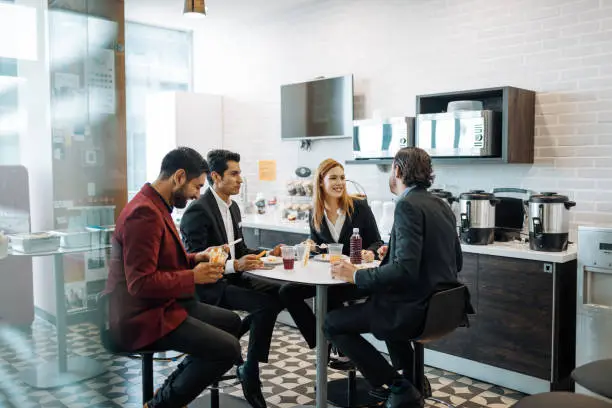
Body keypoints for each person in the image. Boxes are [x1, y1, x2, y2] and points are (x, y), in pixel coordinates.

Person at [324, 147, 463, 408]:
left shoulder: (406, 205)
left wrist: (356, 276)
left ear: (398, 170)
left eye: (391, 169)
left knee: (332, 322)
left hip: (415, 310)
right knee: (382, 307)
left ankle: (396, 386)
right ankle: (413, 380)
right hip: (443, 307)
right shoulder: (441, 205)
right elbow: (456, 261)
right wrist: (394, 253)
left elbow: (404, 271)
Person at [104, 147, 243, 408]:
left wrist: (197, 257)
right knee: (228, 349)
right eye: (196, 186)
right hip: (140, 316)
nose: (197, 195)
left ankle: (168, 391)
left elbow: (162, 262)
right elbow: (140, 283)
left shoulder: (156, 206)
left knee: (232, 322)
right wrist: (193, 277)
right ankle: (160, 405)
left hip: (163, 304)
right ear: (179, 176)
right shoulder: (143, 214)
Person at [179, 149, 285, 408]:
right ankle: (250, 371)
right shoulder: (197, 211)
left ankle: (232, 343)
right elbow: (196, 259)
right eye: (234, 174)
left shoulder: (233, 207)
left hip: (233, 278)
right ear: (215, 176)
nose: (240, 179)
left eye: (240, 173)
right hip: (210, 286)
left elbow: (240, 250)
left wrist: (267, 253)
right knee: (265, 305)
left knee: (282, 291)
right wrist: (234, 265)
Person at [278, 158, 384, 360]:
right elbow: (319, 246)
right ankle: (321, 340)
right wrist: (310, 245)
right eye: (333, 177)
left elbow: (377, 242)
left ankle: (336, 343)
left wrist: (369, 251)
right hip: (328, 275)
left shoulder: (359, 207)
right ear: (321, 181)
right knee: (287, 292)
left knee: (330, 296)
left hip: (352, 277)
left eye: (342, 178)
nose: (340, 182)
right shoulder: (315, 212)